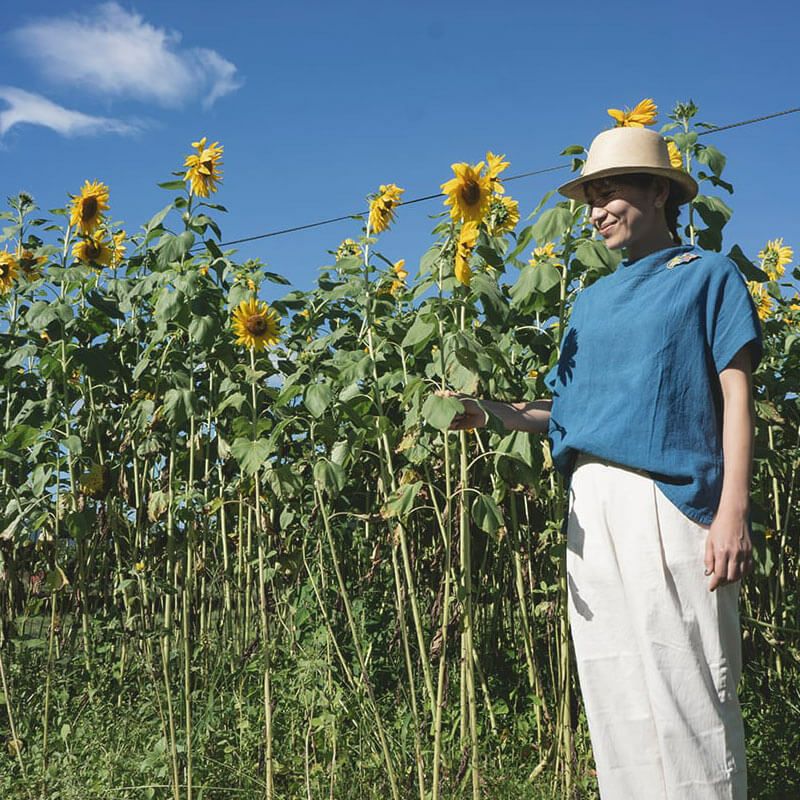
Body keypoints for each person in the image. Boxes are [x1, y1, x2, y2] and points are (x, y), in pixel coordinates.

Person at [448, 126, 761, 799]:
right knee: (616, 687)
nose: (596, 210)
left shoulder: (708, 276)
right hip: (590, 502)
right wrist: (489, 411)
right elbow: (564, 411)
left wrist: (733, 510)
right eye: (591, 197)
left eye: (610, 191)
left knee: (689, 688)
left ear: (658, 192)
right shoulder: (589, 302)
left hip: (672, 501)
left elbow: (738, 396)